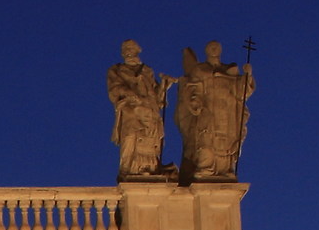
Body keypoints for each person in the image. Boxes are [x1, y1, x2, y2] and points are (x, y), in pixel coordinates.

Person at [177, 41, 254, 181]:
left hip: (227, 111)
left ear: (220, 50)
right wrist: (195, 100)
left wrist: (247, 76)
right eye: (211, 47)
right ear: (206, 51)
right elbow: (193, 87)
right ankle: (206, 167)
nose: (214, 49)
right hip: (208, 109)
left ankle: (224, 169)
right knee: (206, 137)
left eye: (217, 47)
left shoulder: (229, 70)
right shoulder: (200, 70)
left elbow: (241, 92)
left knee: (227, 140)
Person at [105, 40, 174, 180]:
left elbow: (156, 97)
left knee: (150, 141)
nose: (127, 51)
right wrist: (130, 95)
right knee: (131, 139)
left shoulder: (147, 70)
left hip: (150, 111)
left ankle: (149, 169)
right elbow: (114, 89)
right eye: (125, 49)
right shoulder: (116, 69)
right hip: (131, 111)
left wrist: (165, 86)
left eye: (130, 48)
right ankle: (129, 171)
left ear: (137, 50)